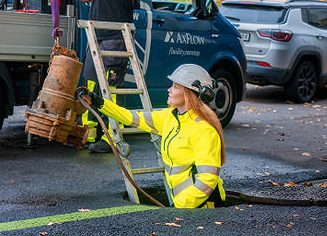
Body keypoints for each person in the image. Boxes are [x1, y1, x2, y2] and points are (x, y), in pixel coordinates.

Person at [81, 64, 226, 208]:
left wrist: (179, 206)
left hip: (203, 208)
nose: (169, 89)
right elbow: (128, 117)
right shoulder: (169, 117)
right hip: (182, 205)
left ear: (189, 93)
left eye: (175, 86)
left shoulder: (204, 130)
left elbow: (207, 180)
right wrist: (98, 102)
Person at [43, 0, 135, 153]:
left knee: (112, 90)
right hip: (98, 38)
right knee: (91, 87)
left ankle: (114, 137)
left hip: (114, 40)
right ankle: (89, 133)